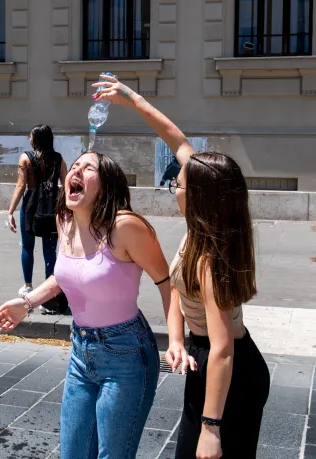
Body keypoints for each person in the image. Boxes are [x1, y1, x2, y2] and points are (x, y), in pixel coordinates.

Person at [92, 75, 270, 458]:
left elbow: (223, 349)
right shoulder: (206, 226)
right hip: (206, 360)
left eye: (179, 184)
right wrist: (132, 99)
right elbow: (177, 140)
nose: (175, 187)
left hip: (231, 375)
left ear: (201, 198)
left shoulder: (209, 260)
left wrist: (211, 428)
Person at [0, 147, 172, 458]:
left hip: (126, 353)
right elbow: (68, 274)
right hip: (81, 350)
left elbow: (166, 281)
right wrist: (28, 302)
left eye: (87, 168)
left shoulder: (125, 226)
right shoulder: (66, 220)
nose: (75, 171)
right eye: (74, 166)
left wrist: (175, 340)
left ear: (106, 185)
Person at [6, 125, 68, 311]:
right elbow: (65, 185)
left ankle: (28, 286)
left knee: (27, 246)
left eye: (31, 135)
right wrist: (67, 210)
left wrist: (10, 211)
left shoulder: (26, 158)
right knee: (50, 250)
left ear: (37, 139)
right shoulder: (58, 159)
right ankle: (50, 292)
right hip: (51, 206)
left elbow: (20, 186)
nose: (29, 138)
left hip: (31, 206)